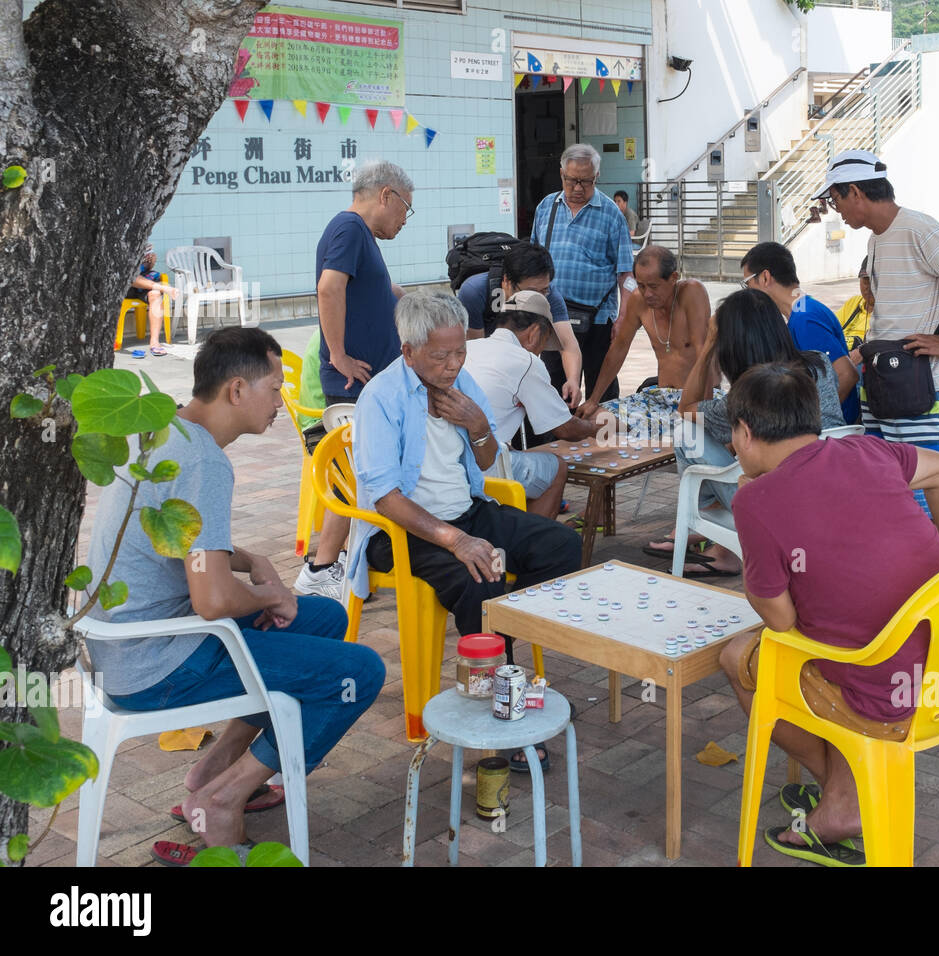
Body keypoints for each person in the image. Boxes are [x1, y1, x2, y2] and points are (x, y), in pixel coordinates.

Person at [83, 327, 385, 865]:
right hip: (158, 665)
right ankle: (226, 797)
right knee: (359, 671)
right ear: (237, 390)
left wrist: (253, 562)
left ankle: (212, 769)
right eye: (275, 388)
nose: (281, 402)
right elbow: (215, 602)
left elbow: (183, 540)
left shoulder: (168, 431)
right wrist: (268, 598)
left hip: (125, 649)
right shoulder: (202, 462)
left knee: (321, 618)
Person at [717, 362, 939, 865]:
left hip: (885, 689)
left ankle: (842, 801)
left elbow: (780, 620)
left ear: (744, 433)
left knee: (739, 657)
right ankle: (844, 792)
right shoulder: (866, 449)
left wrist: (752, 500)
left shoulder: (757, 499)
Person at [349, 292, 582, 770]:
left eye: (459, 352)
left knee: (562, 545)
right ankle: (498, 708)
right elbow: (386, 498)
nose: (453, 364)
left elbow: (483, 459)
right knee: (482, 576)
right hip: (403, 531)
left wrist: (478, 425)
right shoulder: (382, 398)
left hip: (467, 511)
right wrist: (454, 540)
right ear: (409, 349)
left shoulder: (464, 382)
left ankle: (505, 668)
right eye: (441, 355)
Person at [818, 149, 939, 506]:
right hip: (883, 380)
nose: (838, 211)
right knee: (888, 485)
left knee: (922, 490)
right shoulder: (876, 238)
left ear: (855, 191)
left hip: (920, 385)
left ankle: (932, 560)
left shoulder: (918, 227)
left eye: (837, 201)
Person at [645, 288, 846, 576]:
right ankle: (720, 549)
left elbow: (686, 407)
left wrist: (708, 344)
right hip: (831, 493)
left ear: (733, 345)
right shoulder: (819, 364)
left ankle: (704, 518)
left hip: (779, 507)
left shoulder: (746, 395)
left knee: (686, 430)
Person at [297, 159, 413, 601]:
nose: (404, 220)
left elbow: (382, 290)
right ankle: (323, 568)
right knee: (353, 475)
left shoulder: (360, 235)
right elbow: (329, 288)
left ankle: (341, 562)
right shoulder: (349, 228)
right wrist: (340, 355)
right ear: (387, 194)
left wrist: (425, 306)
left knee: (359, 474)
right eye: (406, 208)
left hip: (370, 379)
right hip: (354, 382)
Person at [464, 290, 612, 518]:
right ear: (534, 333)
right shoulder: (525, 361)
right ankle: (534, 541)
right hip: (481, 466)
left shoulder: (471, 347)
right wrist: (599, 427)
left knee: (522, 458)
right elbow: (565, 429)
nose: (541, 350)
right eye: (544, 342)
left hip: (455, 456)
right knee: (556, 468)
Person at [530, 143, 635, 405]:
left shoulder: (611, 214)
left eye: (585, 182)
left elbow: (626, 274)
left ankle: (604, 444)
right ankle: (557, 443)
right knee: (554, 389)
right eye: (571, 180)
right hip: (554, 318)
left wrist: (623, 318)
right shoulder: (546, 207)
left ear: (596, 177)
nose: (577, 188)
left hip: (598, 320)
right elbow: (532, 263)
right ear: (562, 174)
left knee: (602, 391)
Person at [576, 245, 713, 422]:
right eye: (641, 286)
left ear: (673, 278)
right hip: (660, 396)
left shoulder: (692, 292)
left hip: (695, 398)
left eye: (654, 286)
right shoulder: (638, 300)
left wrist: (707, 410)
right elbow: (619, 348)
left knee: (683, 428)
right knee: (595, 417)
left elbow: (705, 352)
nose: (647, 294)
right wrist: (593, 400)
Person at [738, 241, 860, 424]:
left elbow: (847, 374)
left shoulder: (805, 319)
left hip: (828, 435)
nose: (748, 291)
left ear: (765, 277)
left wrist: (810, 425)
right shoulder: (803, 310)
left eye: (747, 283)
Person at [455, 241, 583, 407]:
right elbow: (476, 354)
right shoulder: (475, 291)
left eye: (543, 290)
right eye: (529, 291)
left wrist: (573, 380)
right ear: (507, 282)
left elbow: (568, 345)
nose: (538, 297)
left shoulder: (550, 295)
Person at [124, 243, 177, 356]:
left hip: (144, 284)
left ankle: (154, 342)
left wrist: (149, 262)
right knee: (130, 274)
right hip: (126, 286)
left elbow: (145, 269)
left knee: (155, 295)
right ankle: (163, 287)